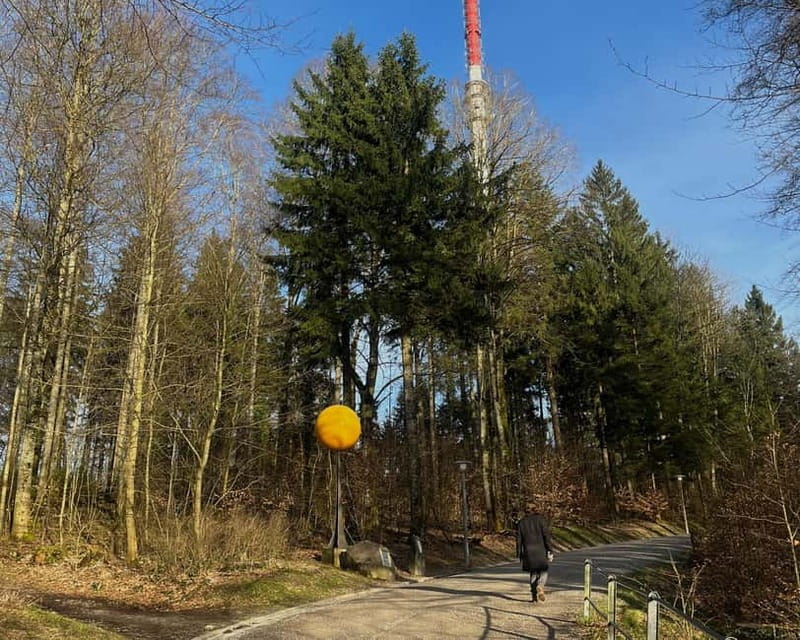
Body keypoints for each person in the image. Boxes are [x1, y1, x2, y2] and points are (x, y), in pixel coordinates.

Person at [518, 505, 553, 602]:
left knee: (533, 573)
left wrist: (519, 553)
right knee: (544, 571)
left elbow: (519, 539)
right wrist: (550, 549)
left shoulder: (522, 522)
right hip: (540, 549)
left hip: (528, 551)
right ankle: (540, 585)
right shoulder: (541, 520)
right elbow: (546, 535)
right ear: (536, 509)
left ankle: (534, 597)